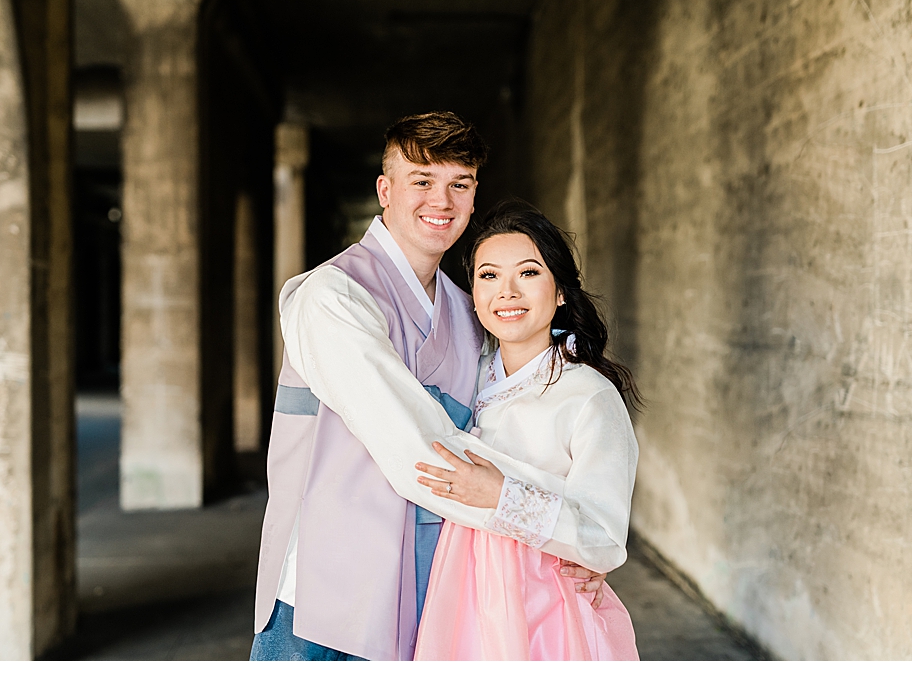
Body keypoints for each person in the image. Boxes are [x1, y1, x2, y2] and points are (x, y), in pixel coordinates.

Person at [250, 112, 605, 661]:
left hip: (434, 598)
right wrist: (561, 530)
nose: (441, 201)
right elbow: (421, 454)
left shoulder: (470, 312)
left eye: (458, 184)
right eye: (422, 181)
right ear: (384, 191)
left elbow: (518, 428)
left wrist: (580, 541)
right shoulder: (331, 297)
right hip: (326, 602)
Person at [408, 201, 641, 660]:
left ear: (559, 292)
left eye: (529, 273)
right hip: (457, 596)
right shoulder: (462, 380)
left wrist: (502, 496)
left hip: (543, 607)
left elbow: (603, 536)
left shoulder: (587, 396)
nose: (507, 292)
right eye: (489, 276)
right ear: (472, 293)